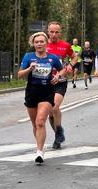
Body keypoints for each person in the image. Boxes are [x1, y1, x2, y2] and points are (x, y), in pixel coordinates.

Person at [18, 32, 66, 163]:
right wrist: (29, 69)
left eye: (42, 41)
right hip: (32, 92)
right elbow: (19, 75)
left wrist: (57, 76)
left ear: (46, 43)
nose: (39, 44)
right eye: (37, 42)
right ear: (33, 44)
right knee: (35, 124)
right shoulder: (28, 57)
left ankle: (39, 152)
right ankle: (41, 145)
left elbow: (62, 69)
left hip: (47, 92)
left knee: (40, 121)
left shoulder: (53, 58)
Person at [46, 21, 78, 149]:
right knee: (49, 113)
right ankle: (58, 135)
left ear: (60, 33)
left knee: (54, 107)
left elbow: (74, 57)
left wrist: (70, 65)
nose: (54, 34)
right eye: (52, 32)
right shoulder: (43, 44)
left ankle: (58, 132)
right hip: (45, 83)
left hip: (60, 81)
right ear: (48, 32)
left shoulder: (65, 45)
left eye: (56, 32)